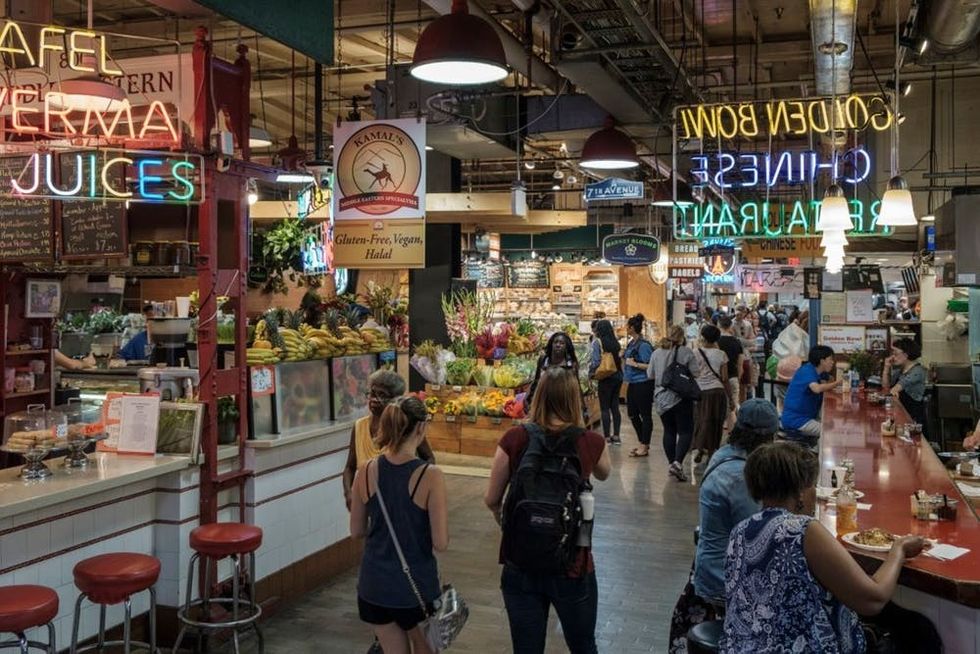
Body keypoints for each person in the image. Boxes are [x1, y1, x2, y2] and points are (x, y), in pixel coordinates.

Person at [723, 442, 927, 652]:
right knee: (918, 629)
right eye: (813, 485)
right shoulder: (802, 530)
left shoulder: (740, 531)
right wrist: (898, 550)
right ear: (801, 490)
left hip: (744, 647)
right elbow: (873, 600)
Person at [485, 367, 611, 654]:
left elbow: (491, 498)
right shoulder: (589, 441)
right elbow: (604, 473)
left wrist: (510, 525)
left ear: (537, 396)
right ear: (574, 399)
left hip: (521, 562)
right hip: (573, 564)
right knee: (583, 644)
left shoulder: (515, 438)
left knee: (527, 648)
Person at [667, 400, 780, 652]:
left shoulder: (725, 454)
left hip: (708, 566)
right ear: (767, 439)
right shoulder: (741, 476)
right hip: (723, 578)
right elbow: (757, 531)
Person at [350, 396, 448, 654]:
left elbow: (356, 531)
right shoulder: (430, 476)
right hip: (416, 588)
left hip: (374, 586)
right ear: (420, 428)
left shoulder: (365, 470)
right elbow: (441, 542)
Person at [344, 370, 435, 510]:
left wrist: (418, 486)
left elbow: (429, 458)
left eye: (382, 395)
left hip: (401, 507)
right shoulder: (359, 427)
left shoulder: (404, 427)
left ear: (395, 400)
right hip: (368, 506)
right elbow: (350, 467)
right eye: (372, 393)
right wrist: (349, 494)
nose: (374, 399)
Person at [648, 325, 696, 481]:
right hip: (681, 397)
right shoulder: (686, 352)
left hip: (661, 398)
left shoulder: (656, 353)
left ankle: (672, 464)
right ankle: (677, 463)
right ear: (682, 337)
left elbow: (650, 374)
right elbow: (696, 372)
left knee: (668, 431)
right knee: (685, 431)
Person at [780, 345, 843, 446]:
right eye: (830, 359)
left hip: (805, 417)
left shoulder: (817, 371)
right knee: (828, 431)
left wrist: (832, 382)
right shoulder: (806, 371)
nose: (832, 362)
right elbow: (816, 388)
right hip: (797, 420)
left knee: (831, 424)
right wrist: (838, 383)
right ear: (822, 361)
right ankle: (817, 456)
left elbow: (827, 380)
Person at [691, 324, 729, 463]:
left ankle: (699, 448)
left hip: (701, 391)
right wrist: (729, 397)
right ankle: (712, 451)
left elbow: (693, 373)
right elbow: (724, 378)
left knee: (701, 420)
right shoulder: (722, 354)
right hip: (717, 391)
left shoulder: (695, 352)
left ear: (703, 337)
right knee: (716, 421)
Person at [623, 314, 656, 458]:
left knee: (645, 414)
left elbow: (651, 365)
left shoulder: (644, 345)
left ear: (632, 328)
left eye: (628, 326)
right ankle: (642, 441)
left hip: (643, 383)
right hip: (632, 382)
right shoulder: (631, 343)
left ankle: (644, 444)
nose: (626, 328)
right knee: (632, 413)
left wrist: (635, 364)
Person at [589, 319, 623, 445]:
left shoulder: (597, 342)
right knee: (615, 406)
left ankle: (607, 437)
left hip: (605, 376)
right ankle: (617, 436)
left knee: (604, 408)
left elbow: (596, 361)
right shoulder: (615, 342)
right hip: (618, 375)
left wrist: (592, 372)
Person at [526, 331, 579, 408]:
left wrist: (582, 408)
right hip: (544, 402)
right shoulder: (543, 360)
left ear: (566, 347)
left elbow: (577, 387)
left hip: (563, 403)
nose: (558, 345)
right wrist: (531, 399)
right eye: (555, 342)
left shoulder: (570, 364)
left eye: (562, 343)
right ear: (551, 344)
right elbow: (537, 381)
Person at [884, 338, 928, 431]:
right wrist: (886, 367)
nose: (893, 357)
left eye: (895, 354)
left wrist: (893, 391)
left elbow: (897, 387)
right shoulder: (900, 370)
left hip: (913, 419)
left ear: (905, 355)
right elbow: (886, 387)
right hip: (902, 415)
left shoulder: (918, 371)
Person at [717, 317, 744, 419]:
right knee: (733, 404)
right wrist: (739, 376)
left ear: (719, 326)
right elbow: (740, 363)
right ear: (730, 326)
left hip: (718, 378)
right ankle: (732, 426)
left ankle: (723, 425)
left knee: (720, 405)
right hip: (733, 376)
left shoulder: (715, 342)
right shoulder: (736, 342)